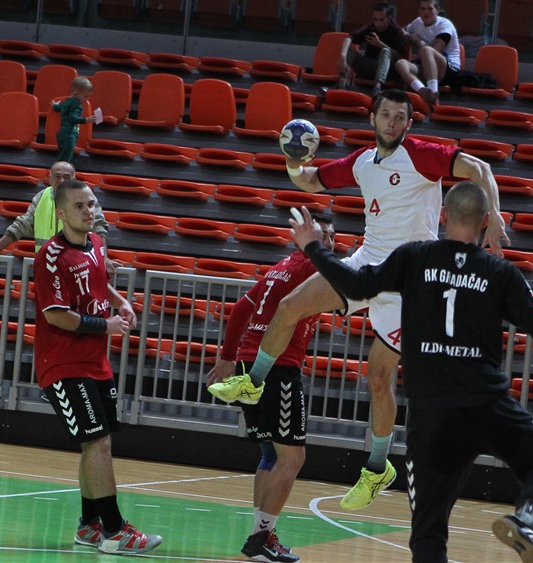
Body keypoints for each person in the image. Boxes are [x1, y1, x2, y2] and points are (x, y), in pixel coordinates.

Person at [290, 181, 533, 563]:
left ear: (443, 216)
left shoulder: (414, 257)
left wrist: (314, 247)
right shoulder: (498, 272)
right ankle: (525, 520)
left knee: (428, 534)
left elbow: (356, 284)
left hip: (431, 416)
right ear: (485, 221)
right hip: (485, 404)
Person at [209, 89, 509, 512]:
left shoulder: (421, 155)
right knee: (290, 307)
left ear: (408, 124)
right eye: (385, 115)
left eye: (400, 117)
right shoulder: (363, 162)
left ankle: (377, 467)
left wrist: (493, 215)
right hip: (367, 264)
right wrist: (293, 160)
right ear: (373, 119)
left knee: (379, 377)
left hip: (408, 282)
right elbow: (311, 180)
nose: (392, 123)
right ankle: (253, 381)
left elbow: (479, 167)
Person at [33, 179, 161, 555]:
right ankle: (115, 530)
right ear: (61, 214)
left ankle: (89, 526)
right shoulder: (51, 257)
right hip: (63, 364)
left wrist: (121, 302)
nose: (89, 211)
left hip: (95, 363)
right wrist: (107, 325)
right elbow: (56, 315)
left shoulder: (96, 243)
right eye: (79, 206)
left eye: (91, 204)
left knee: (96, 444)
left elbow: (99, 282)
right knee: (97, 442)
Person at [207, 214, 336, 563]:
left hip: (250, 365)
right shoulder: (313, 267)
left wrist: (228, 358)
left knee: (270, 455)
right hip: (278, 366)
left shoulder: (280, 267)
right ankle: (261, 538)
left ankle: (259, 536)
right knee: (292, 457)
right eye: (325, 236)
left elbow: (241, 309)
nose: (329, 244)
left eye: (330, 237)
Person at [0, 161, 115, 273]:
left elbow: (99, 226)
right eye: (57, 176)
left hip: (78, 266)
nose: (61, 180)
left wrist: (104, 257)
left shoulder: (85, 197)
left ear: (74, 178)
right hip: (46, 267)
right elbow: (21, 226)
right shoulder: (41, 197)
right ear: (50, 178)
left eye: (66, 177)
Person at [395, 0, 461, 105]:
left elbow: (435, 50)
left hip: (448, 68)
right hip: (425, 65)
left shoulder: (445, 25)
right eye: (423, 9)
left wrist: (418, 41)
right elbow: (402, 31)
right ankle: (422, 90)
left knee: (426, 50)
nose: (426, 12)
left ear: (437, 10)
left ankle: (433, 93)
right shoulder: (417, 22)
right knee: (400, 63)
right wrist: (407, 36)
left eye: (430, 9)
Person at [336, 2, 407, 97]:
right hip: (370, 66)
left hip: (389, 71)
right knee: (348, 49)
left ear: (389, 19)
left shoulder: (396, 31)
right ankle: (341, 85)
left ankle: (377, 88)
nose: (378, 24)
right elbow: (350, 37)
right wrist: (343, 55)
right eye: (375, 20)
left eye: (381, 20)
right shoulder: (371, 28)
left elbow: (400, 57)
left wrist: (380, 44)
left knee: (385, 51)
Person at [52, 76, 95, 163]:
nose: (87, 99)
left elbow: (58, 108)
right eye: (85, 96)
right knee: (65, 159)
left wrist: (54, 105)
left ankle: (58, 170)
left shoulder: (68, 101)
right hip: (69, 133)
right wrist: (86, 120)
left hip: (62, 133)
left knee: (62, 156)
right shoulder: (76, 104)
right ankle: (59, 170)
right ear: (76, 93)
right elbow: (72, 118)